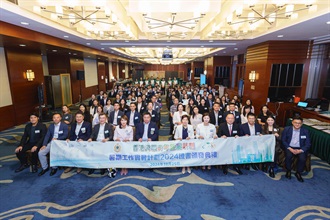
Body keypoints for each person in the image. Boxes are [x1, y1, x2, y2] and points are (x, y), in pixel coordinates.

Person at [282, 117, 311, 182]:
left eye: (299, 123)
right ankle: (288, 170)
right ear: (292, 122)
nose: (297, 124)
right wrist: (290, 148)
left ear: (302, 124)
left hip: (300, 148)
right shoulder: (287, 129)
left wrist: (300, 150)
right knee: (288, 156)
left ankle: (298, 172)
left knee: (302, 158)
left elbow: (308, 143)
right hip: (289, 147)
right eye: (295, 123)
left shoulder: (305, 131)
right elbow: (283, 140)